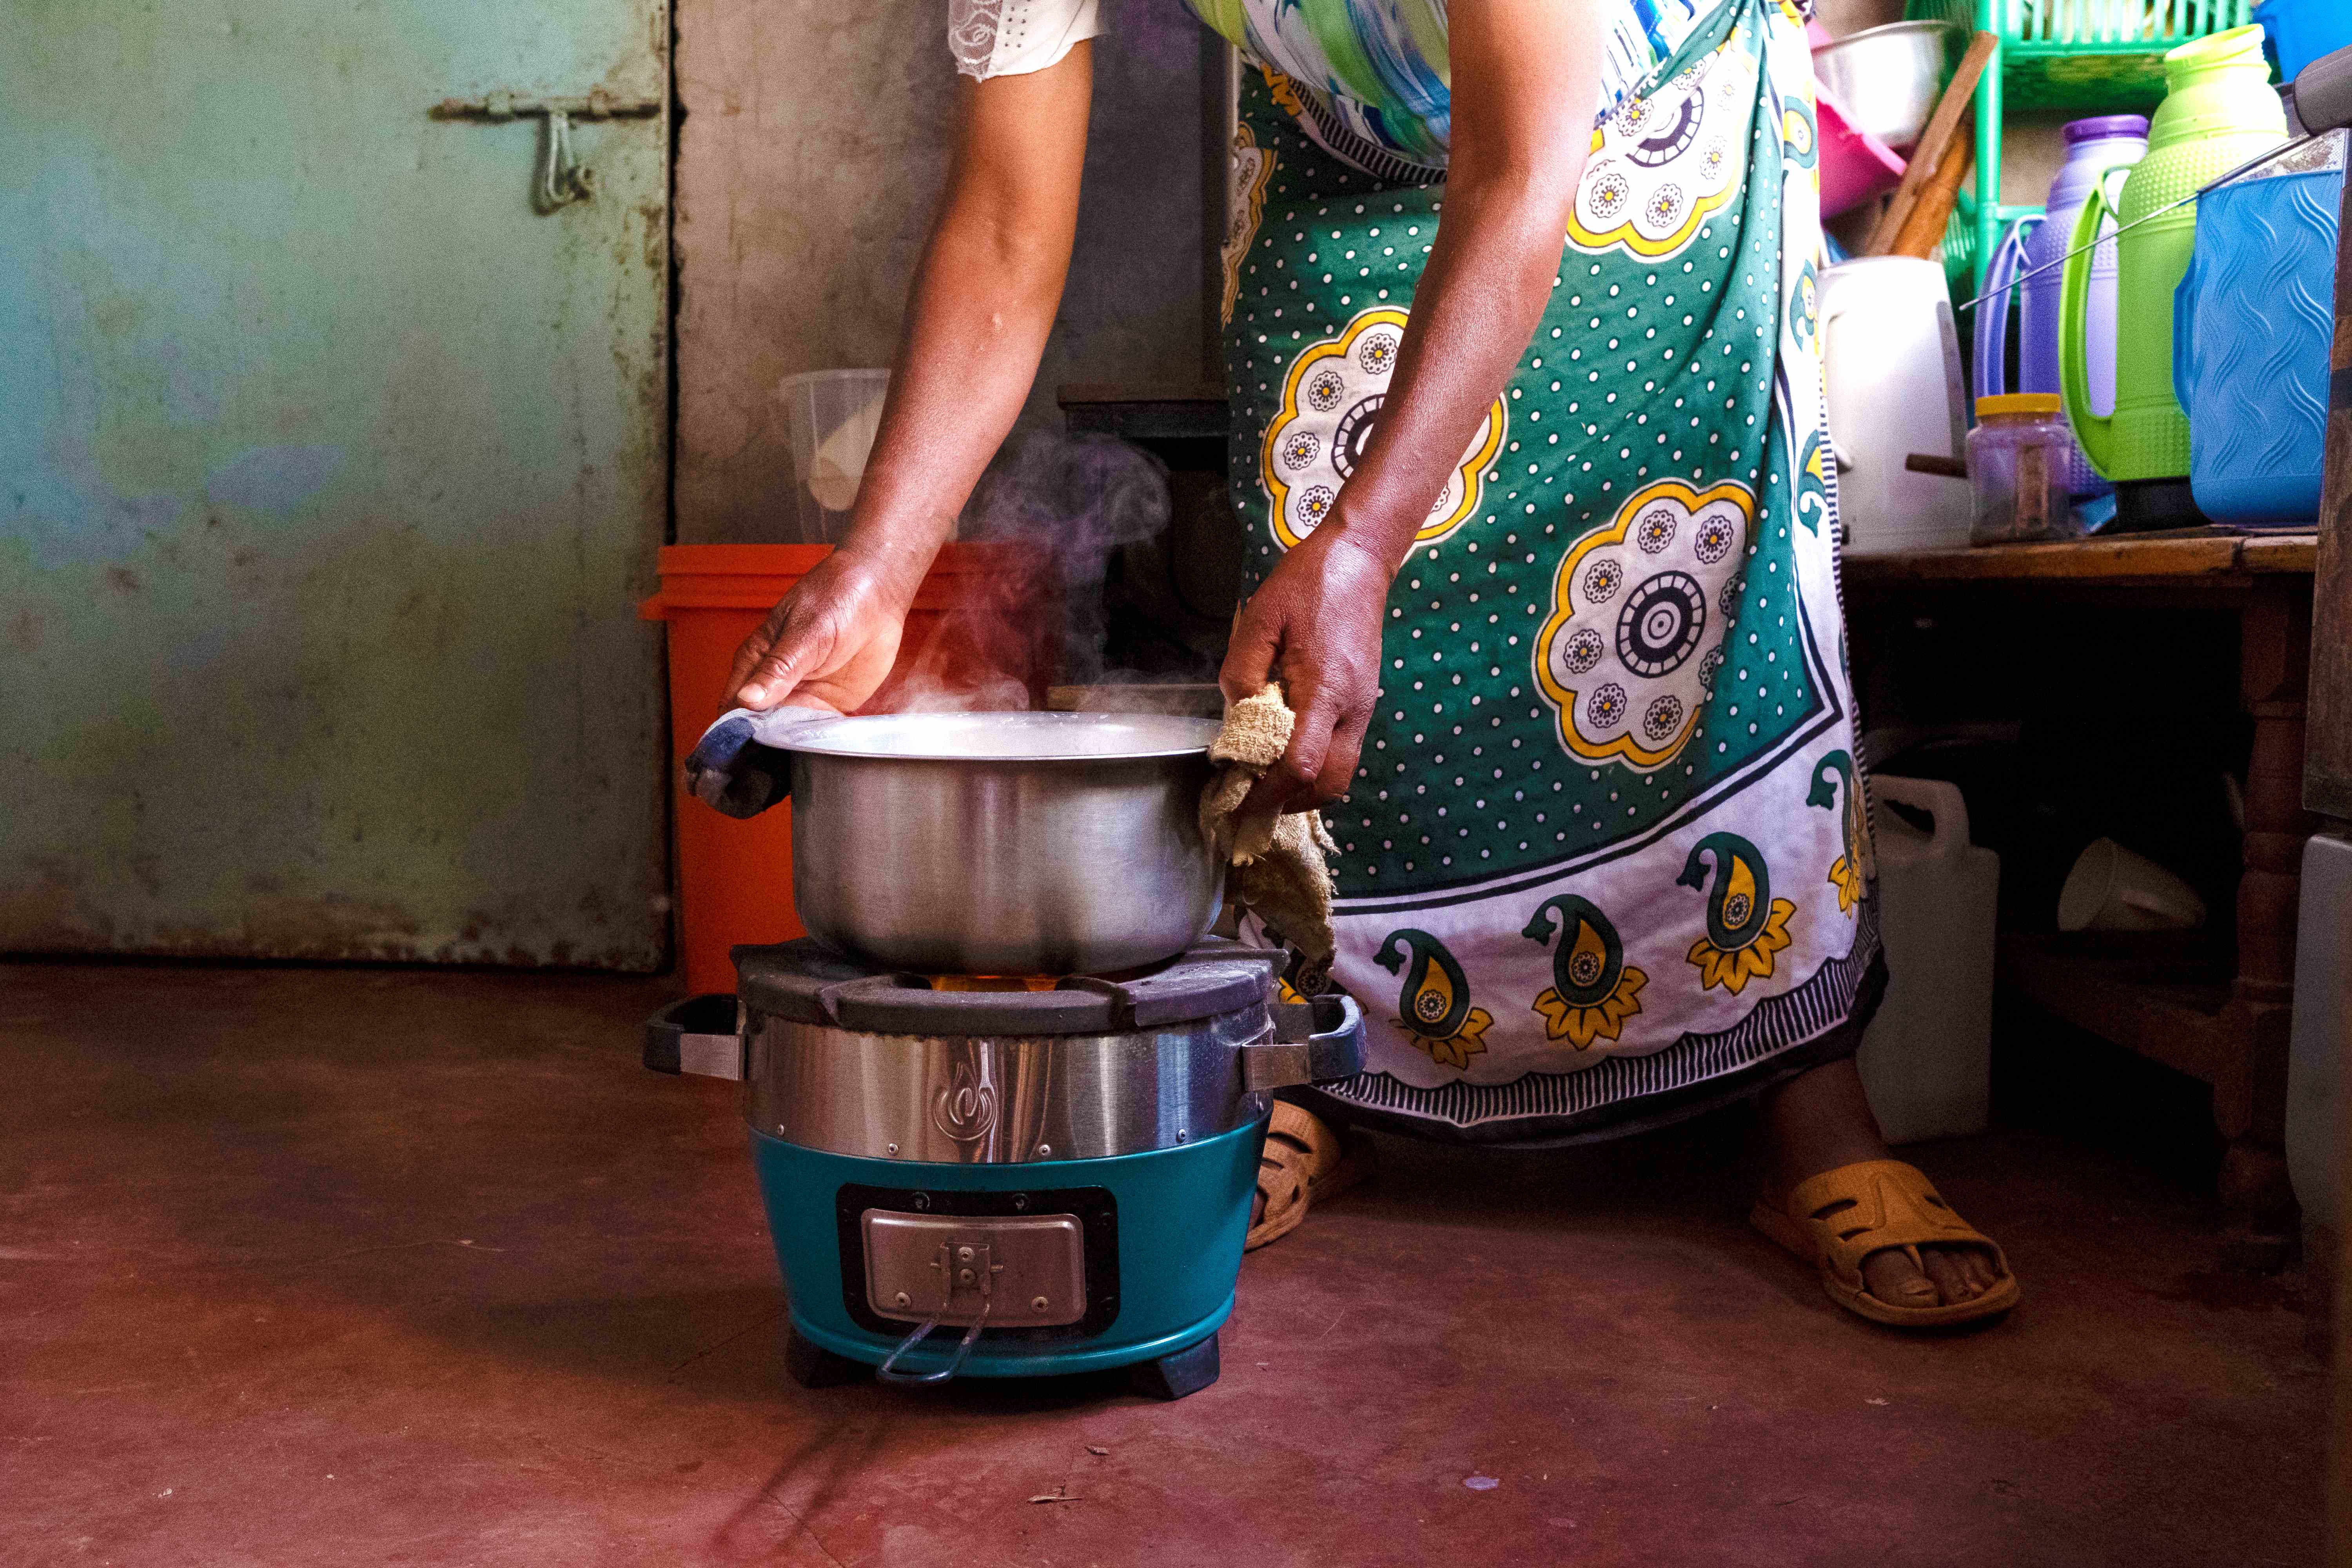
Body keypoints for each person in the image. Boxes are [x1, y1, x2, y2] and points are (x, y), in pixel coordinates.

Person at [723, 0, 2018, 1327]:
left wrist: (1364, 545)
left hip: (1646, 122)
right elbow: (1004, 228)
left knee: (1675, 609)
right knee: (1324, 668)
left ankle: (1811, 1105)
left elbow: (1522, 169)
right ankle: (1321, 1074)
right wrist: (881, 568)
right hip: (1341, 140)